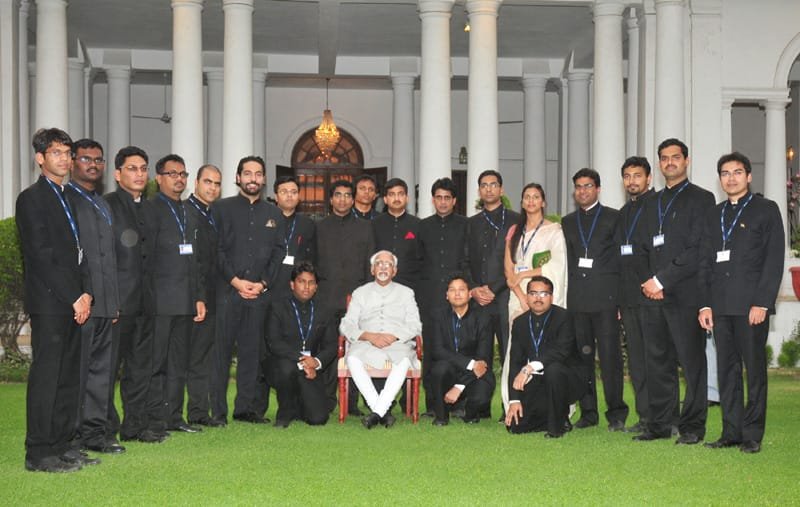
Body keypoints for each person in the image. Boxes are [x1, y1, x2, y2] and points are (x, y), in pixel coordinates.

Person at [17, 128, 94, 472]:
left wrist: (87, 292)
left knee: (68, 377)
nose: (64, 159)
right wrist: (73, 296)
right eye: (56, 153)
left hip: (76, 302)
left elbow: (80, 252)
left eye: (67, 153)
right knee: (47, 378)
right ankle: (39, 452)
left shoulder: (70, 197)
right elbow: (41, 256)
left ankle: (64, 444)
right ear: (40, 158)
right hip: (50, 304)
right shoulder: (31, 199)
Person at [698, 152, 785, 454]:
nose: (731, 178)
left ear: (748, 176)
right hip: (720, 307)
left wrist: (762, 302)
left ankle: (752, 435)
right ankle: (731, 432)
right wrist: (705, 305)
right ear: (720, 179)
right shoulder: (714, 214)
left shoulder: (766, 209)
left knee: (754, 372)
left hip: (751, 308)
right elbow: (705, 261)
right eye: (725, 173)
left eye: (737, 172)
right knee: (727, 371)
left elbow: (773, 259)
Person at [634, 138, 715, 444]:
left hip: (685, 294)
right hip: (653, 296)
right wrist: (650, 282)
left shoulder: (702, 198)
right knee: (657, 363)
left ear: (686, 161)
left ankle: (692, 427)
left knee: (692, 364)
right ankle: (660, 424)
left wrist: (662, 280)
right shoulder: (650, 202)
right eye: (664, 158)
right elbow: (641, 247)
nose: (670, 162)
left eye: (675, 157)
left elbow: (699, 248)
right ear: (659, 164)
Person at [210, 156, 284, 425]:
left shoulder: (274, 214)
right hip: (227, 293)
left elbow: (279, 252)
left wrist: (262, 283)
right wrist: (235, 281)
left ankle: (245, 409)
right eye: (248, 173)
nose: (253, 178)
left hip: (258, 295)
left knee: (251, 354)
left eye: (258, 174)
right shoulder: (220, 209)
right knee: (220, 355)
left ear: (264, 179)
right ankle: (217, 412)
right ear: (238, 177)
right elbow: (215, 248)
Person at [65, 139, 122, 454]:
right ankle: (71, 438)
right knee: (78, 374)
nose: (93, 164)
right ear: (73, 161)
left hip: (105, 304)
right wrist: (78, 296)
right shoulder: (66, 200)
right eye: (86, 159)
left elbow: (109, 258)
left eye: (98, 160)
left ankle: (95, 435)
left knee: (101, 374)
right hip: (81, 304)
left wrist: (113, 302)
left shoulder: (102, 203)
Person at [561, 168, 628, 431]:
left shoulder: (613, 217)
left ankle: (616, 413)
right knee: (582, 360)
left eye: (588, 186)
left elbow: (622, 260)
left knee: (611, 359)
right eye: (578, 187)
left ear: (598, 189)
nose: (583, 191)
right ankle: (588, 413)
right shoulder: (567, 222)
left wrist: (620, 300)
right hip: (578, 301)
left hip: (606, 299)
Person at [105, 145, 161, 443]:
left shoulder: (151, 209)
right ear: (117, 174)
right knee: (107, 370)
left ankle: (135, 426)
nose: (139, 174)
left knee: (140, 369)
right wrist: (108, 300)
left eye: (143, 169)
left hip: (146, 304)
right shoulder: (106, 206)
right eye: (132, 168)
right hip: (116, 305)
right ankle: (103, 430)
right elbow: (101, 259)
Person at [150, 154, 207, 434]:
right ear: (158, 178)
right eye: (172, 174)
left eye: (183, 174)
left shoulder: (189, 211)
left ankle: (174, 416)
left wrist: (199, 296)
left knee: (178, 363)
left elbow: (195, 260)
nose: (179, 179)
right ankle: (153, 418)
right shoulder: (150, 209)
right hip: (159, 301)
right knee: (156, 362)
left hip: (185, 301)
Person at [501, 183, 567, 409]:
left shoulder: (554, 230)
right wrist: (522, 297)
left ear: (543, 202)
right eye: (527, 197)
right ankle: (515, 401)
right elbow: (509, 269)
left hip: (543, 293)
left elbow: (558, 265)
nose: (531, 201)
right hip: (518, 296)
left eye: (535, 197)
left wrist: (526, 274)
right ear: (522, 202)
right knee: (518, 348)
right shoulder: (514, 231)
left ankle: (549, 403)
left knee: (546, 346)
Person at [340, 251, 422, 429]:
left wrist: (394, 336)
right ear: (372, 269)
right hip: (366, 343)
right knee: (352, 359)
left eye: (388, 264)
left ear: (395, 271)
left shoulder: (406, 293)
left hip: (397, 343)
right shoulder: (360, 293)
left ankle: (376, 412)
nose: (383, 267)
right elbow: (347, 325)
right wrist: (369, 336)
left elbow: (415, 325)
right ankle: (382, 411)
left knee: (404, 361)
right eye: (379, 263)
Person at [315, 179, 376, 415]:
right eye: (338, 195)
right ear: (331, 199)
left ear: (353, 199)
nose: (343, 199)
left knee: (356, 352)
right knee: (329, 350)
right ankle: (327, 400)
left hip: (356, 302)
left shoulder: (365, 228)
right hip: (326, 299)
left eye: (347, 195)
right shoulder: (319, 227)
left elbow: (370, 266)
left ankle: (351, 404)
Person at [505, 276, 585, 438]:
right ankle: (557, 416)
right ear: (527, 297)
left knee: (553, 370)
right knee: (515, 427)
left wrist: (529, 367)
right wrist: (514, 400)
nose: (538, 298)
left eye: (544, 294)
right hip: (538, 379)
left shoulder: (564, 317)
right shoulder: (520, 323)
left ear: (551, 297)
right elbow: (516, 361)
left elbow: (561, 351)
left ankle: (557, 427)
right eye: (533, 293)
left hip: (568, 378)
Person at [466, 170, 520, 406]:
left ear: (501, 189)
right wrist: (474, 289)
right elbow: (464, 260)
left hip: (506, 296)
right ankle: (480, 406)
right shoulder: (471, 223)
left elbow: (518, 259)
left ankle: (510, 405)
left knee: (509, 350)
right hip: (478, 300)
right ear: (479, 190)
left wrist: (494, 288)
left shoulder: (516, 220)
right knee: (480, 353)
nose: (489, 189)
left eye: (493, 184)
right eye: (484, 185)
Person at [416, 177, 470, 415]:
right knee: (431, 351)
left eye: (447, 198)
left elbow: (468, 260)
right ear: (433, 200)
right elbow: (417, 262)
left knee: (460, 348)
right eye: (439, 197)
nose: (443, 202)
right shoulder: (423, 227)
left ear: (454, 201)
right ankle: (432, 404)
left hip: (458, 298)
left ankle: (460, 403)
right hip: (429, 299)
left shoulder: (465, 225)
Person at [267, 262, 337, 427]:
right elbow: (274, 342)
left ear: (316, 287)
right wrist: (302, 360)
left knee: (318, 418)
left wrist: (316, 362)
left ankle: (298, 405)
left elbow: (331, 345)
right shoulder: (278, 307)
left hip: (310, 368)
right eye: (301, 281)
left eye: (311, 283)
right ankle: (284, 413)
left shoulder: (324, 310)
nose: (306, 287)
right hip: (283, 363)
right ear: (292, 284)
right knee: (286, 368)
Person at [614, 156, 655, 433]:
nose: (632, 181)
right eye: (627, 176)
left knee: (658, 361)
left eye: (637, 175)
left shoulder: (658, 207)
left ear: (648, 178)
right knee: (638, 363)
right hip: (628, 299)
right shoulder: (623, 212)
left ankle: (666, 418)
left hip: (653, 297)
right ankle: (645, 417)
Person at [427, 276, 495, 425]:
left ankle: (468, 411)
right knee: (439, 369)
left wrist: (459, 387)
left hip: (475, 373)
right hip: (452, 368)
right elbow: (438, 350)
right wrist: (469, 364)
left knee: (481, 395)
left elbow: (483, 358)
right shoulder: (438, 316)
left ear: (470, 294)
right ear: (447, 295)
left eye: (462, 290)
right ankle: (441, 417)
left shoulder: (483, 318)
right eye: (452, 290)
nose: (457, 294)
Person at [184, 164, 222, 427]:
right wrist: (198, 296)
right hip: (192, 299)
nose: (212, 188)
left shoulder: (214, 214)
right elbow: (191, 261)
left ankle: (198, 412)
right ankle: (174, 414)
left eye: (217, 184)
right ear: (196, 182)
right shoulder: (186, 213)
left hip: (213, 296)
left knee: (203, 358)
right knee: (189, 358)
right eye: (208, 182)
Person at [272, 175, 317, 299]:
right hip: (271, 284)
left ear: (298, 196)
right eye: (284, 192)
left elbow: (312, 257)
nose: (289, 195)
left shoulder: (308, 224)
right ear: (276, 196)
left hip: (298, 287)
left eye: (294, 192)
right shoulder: (267, 221)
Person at [372, 178, 420, 289]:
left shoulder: (418, 224)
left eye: (400, 194)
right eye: (392, 194)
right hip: (379, 284)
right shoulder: (374, 224)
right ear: (385, 199)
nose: (396, 198)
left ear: (407, 198)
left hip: (410, 285)